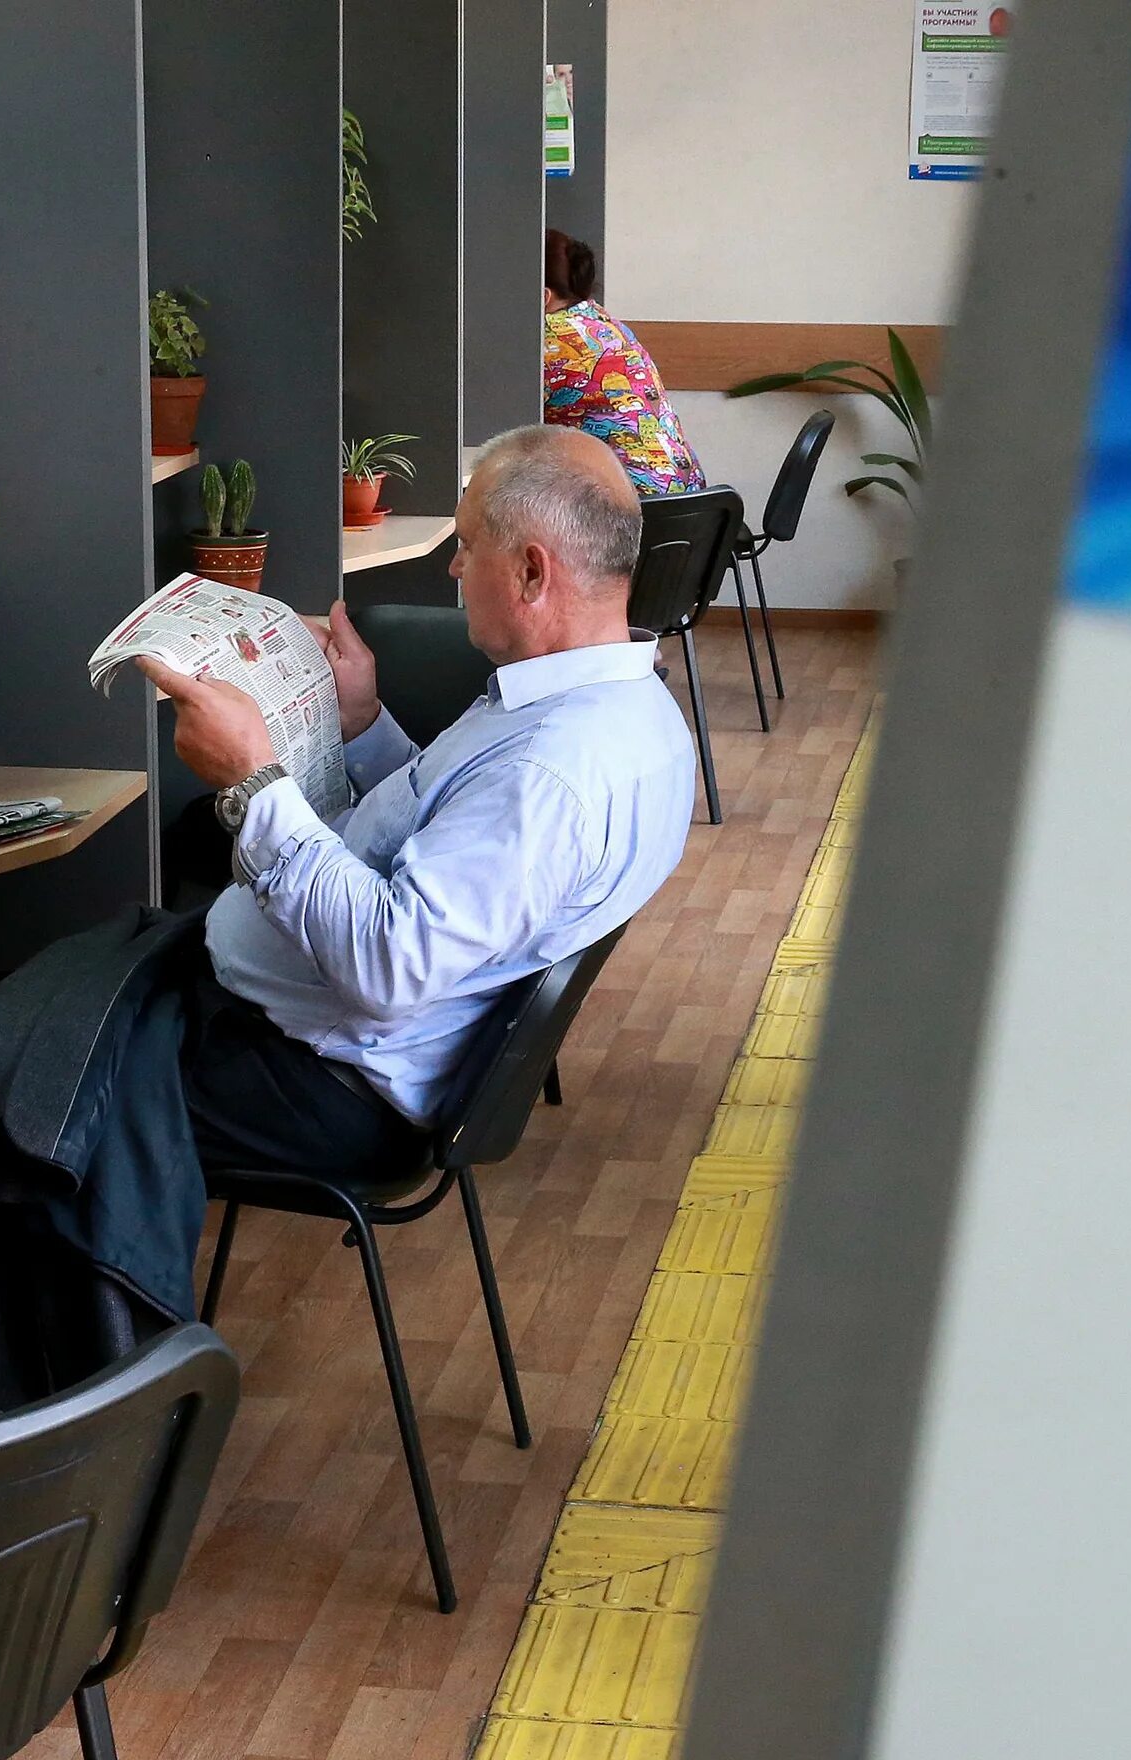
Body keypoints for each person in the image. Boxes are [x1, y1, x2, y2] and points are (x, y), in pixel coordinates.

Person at [142, 422, 698, 1174]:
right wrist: (362, 722)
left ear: (533, 573)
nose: (454, 566)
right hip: (315, 1030)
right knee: (17, 1037)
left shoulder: (546, 772)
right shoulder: (630, 705)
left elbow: (388, 965)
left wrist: (253, 781)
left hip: (322, 1075)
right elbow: (454, 828)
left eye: (469, 545)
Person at [542, 228, 707, 496]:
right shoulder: (600, 321)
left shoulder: (551, 339)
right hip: (689, 501)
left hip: (632, 510)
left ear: (543, 296)